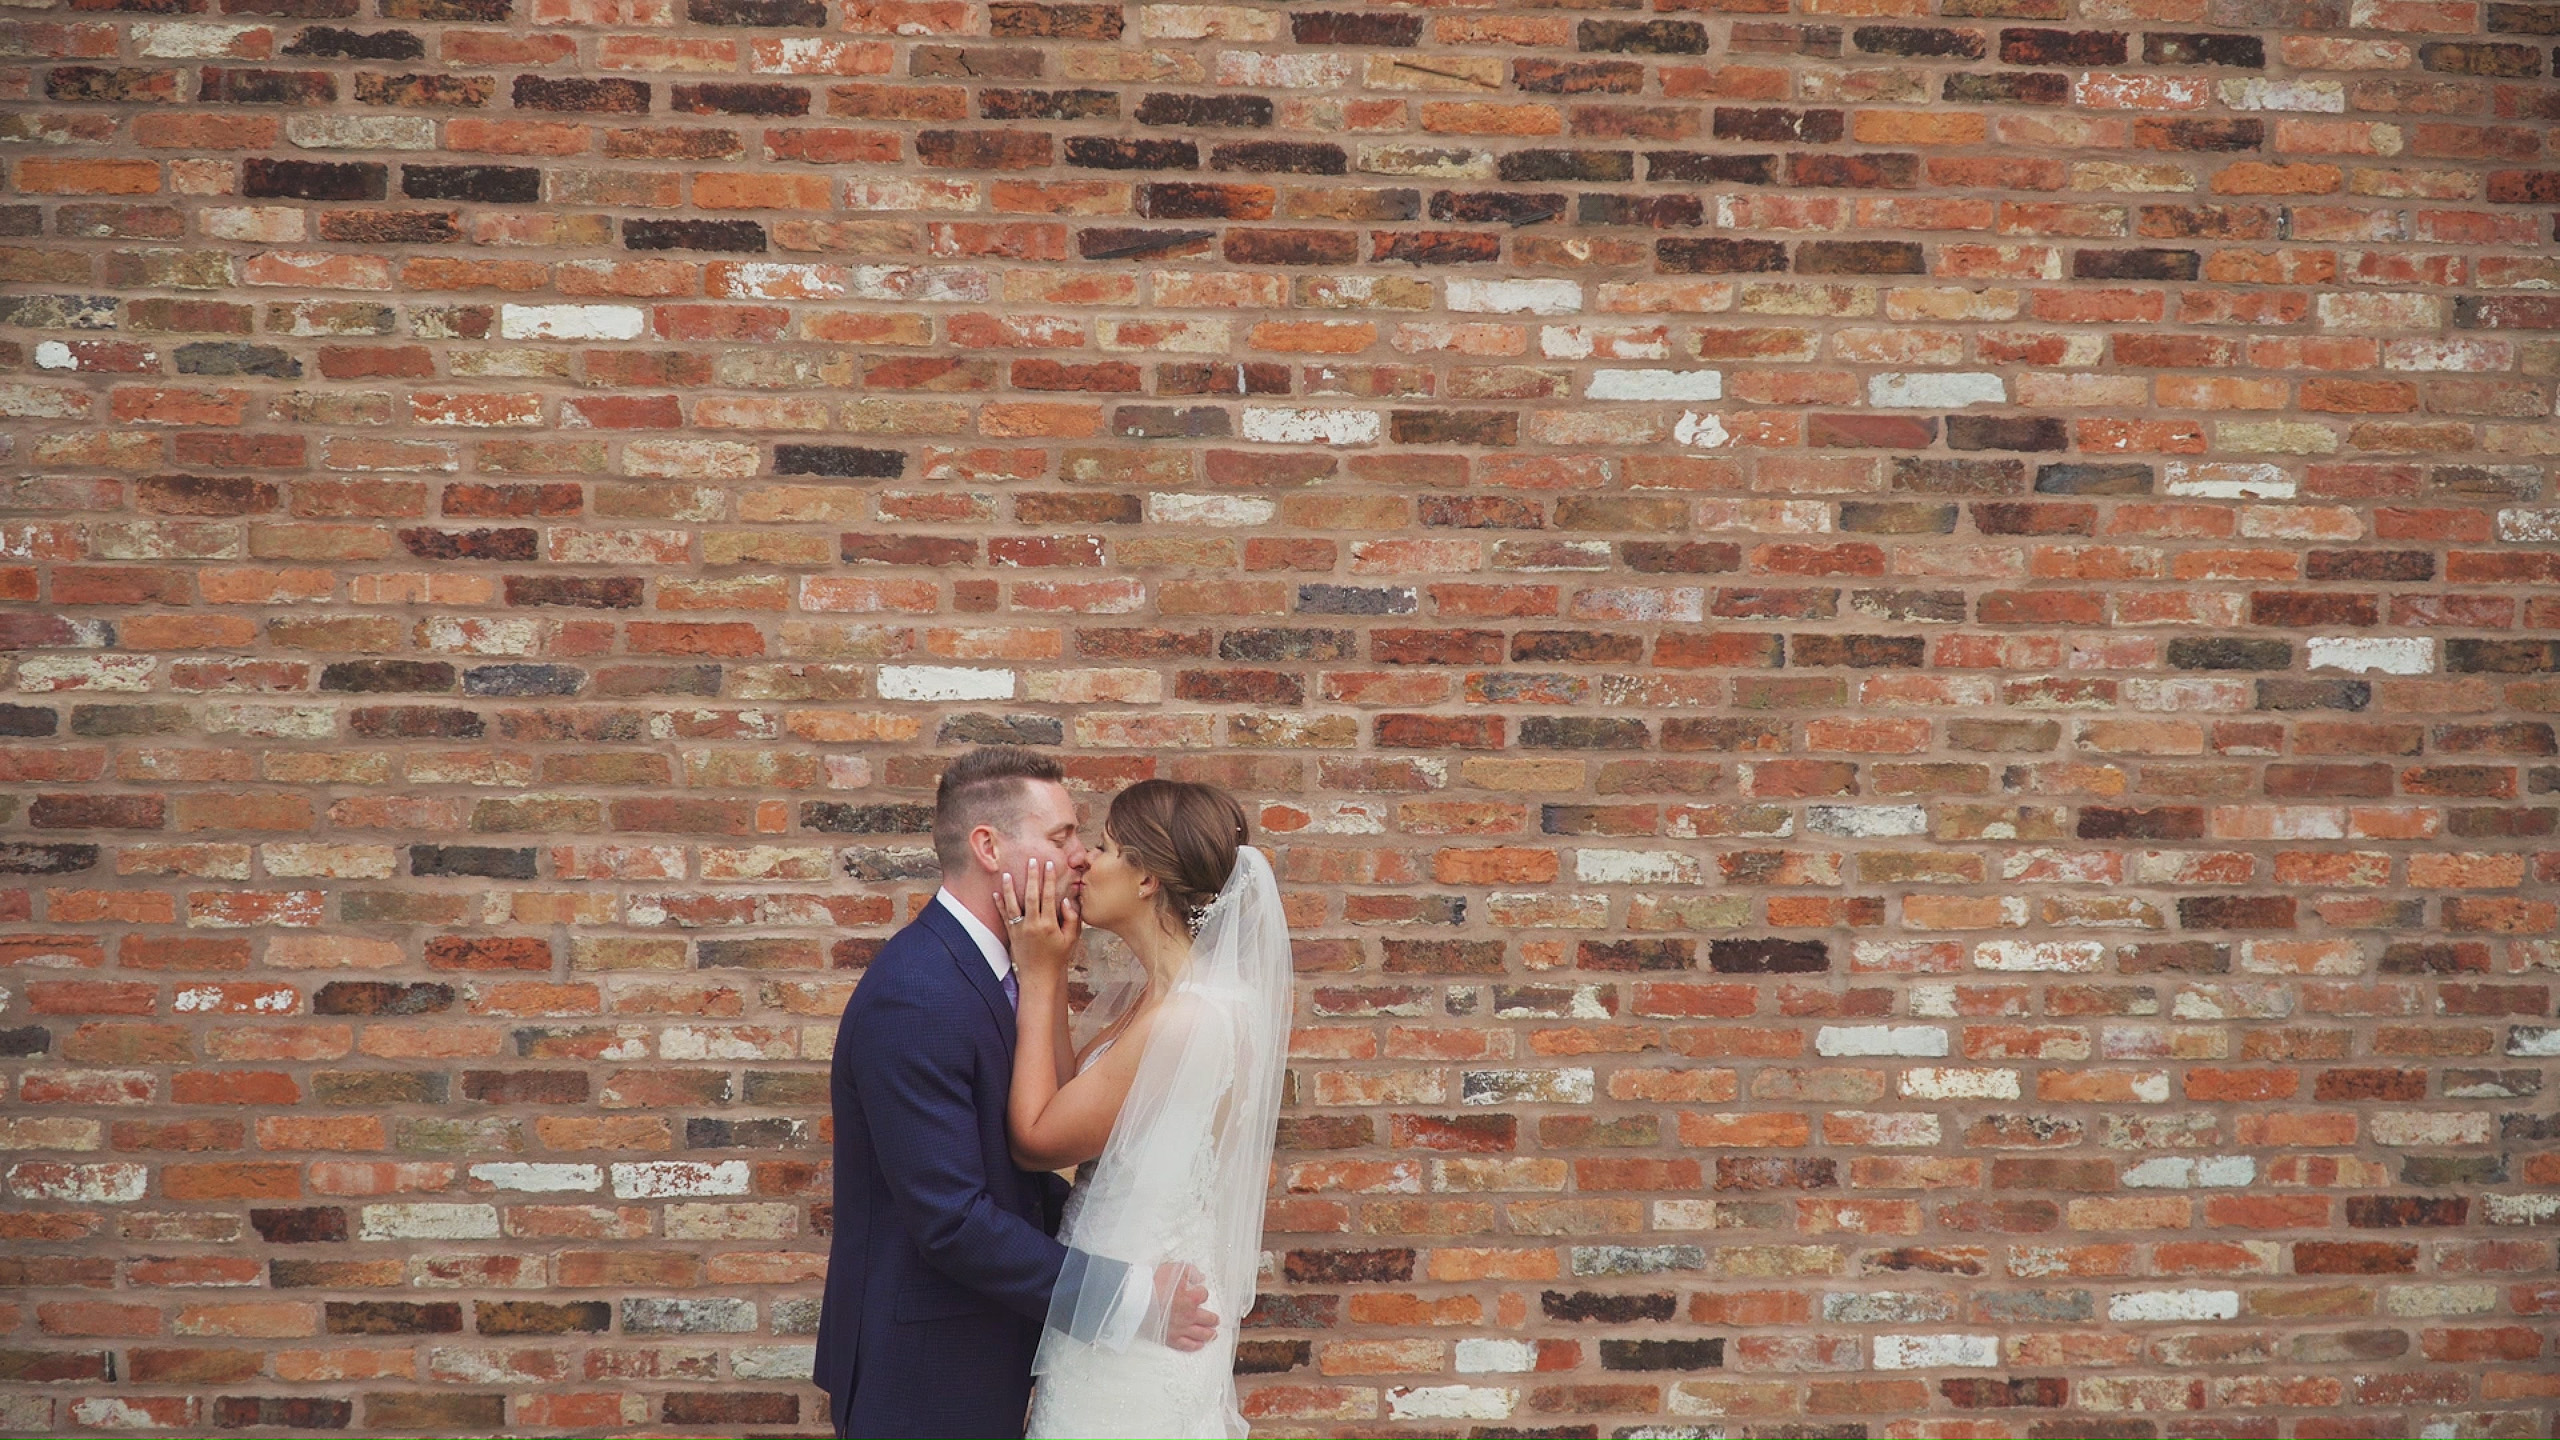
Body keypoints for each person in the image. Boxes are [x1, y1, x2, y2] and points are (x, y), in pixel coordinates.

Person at [815, 748, 1219, 1439]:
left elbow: (1020, 1175)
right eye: (1063, 837)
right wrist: (1126, 1296)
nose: (1083, 857)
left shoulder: (1002, 972)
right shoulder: (917, 995)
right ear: (989, 847)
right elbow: (952, 1218)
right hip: (925, 1376)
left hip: (994, 1360)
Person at [999, 779, 1293, 1439]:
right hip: (1119, 1309)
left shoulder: (1188, 1019)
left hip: (1141, 1333)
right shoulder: (1173, 999)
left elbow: (1039, 1140)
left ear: (1146, 880)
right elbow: (1074, 1099)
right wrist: (1060, 968)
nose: (1083, 862)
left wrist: (1039, 978)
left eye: (1103, 848)